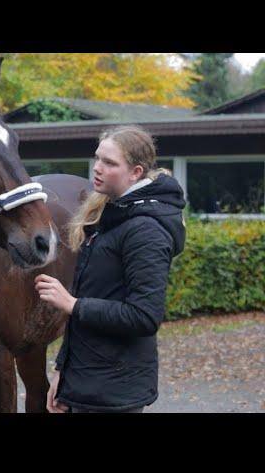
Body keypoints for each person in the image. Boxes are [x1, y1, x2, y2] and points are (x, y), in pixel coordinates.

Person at [35, 125, 186, 413]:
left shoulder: (145, 230)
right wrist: (63, 374)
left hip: (115, 394)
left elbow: (144, 316)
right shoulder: (109, 217)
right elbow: (89, 307)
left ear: (136, 172)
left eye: (110, 163)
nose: (98, 168)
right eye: (97, 158)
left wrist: (72, 303)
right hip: (87, 384)